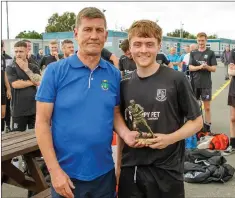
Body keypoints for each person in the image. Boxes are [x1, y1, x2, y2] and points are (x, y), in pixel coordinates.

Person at [35, 7, 139, 198]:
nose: (94, 36)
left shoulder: (113, 74)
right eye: (87, 29)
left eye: (99, 30)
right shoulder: (55, 72)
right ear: (76, 33)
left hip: (104, 174)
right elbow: (41, 122)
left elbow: (115, 113)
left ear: (106, 35)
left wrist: (126, 134)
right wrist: (54, 171)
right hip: (66, 176)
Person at [116, 19, 203, 198]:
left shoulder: (176, 79)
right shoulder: (123, 85)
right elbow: (122, 132)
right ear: (129, 49)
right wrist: (118, 167)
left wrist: (169, 139)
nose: (143, 50)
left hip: (167, 170)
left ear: (159, 46)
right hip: (132, 170)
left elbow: (197, 122)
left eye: (149, 44)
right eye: (137, 44)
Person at [6, 41, 41, 132]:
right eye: (16, 51)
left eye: (21, 51)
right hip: (18, 110)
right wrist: (32, 81)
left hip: (34, 109)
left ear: (26, 52)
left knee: (35, 137)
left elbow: (38, 82)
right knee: (17, 137)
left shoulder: (33, 67)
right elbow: (15, 84)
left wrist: (26, 69)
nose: (18, 54)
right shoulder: (11, 67)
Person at [189, 32, 217, 132]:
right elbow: (190, 67)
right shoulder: (193, 53)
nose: (201, 42)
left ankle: (208, 127)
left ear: (206, 41)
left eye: (203, 40)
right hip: (194, 84)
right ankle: (197, 127)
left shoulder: (211, 53)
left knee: (207, 108)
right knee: (195, 107)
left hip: (206, 84)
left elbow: (214, 68)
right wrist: (200, 67)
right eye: (199, 40)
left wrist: (207, 67)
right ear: (197, 41)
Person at [223, 48, 235, 155]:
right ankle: (233, 144)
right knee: (233, 118)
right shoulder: (233, 52)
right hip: (234, 89)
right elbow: (231, 71)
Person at [1, 40, 12, 132]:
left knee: (4, 112)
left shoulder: (4, 58)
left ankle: (6, 127)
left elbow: (4, 74)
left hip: (3, 89)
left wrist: (8, 88)